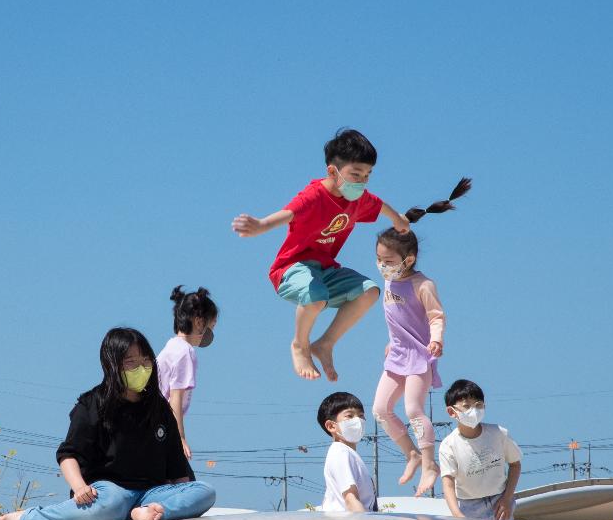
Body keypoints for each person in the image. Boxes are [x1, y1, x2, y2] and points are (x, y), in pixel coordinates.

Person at [0, 327, 216, 520]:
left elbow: (178, 470)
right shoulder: (91, 404)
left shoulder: (159, 408)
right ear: (112, 365)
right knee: (113, 504)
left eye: (145, 360)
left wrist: (183, 501)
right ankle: (27, 519)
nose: (141, 368)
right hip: (108, 492)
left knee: (205, 491)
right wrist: (79, 488)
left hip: (151, 494)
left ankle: (153, 512)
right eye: (131, 362)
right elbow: (68, 454)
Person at [231, 128, 409, 383]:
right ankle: (300, 346)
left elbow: (379, 205)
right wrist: (261, 225)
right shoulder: (315, 195)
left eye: (367, 175)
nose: (361, 182)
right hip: (291, 269)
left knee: (369, 291)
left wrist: (398, 219)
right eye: (355, 175)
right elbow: (289, 213)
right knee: (315, 298)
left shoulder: (358, 200)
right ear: (332, 171)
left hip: (325, 270)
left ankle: (324, 344)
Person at [372, 227, 445, 496]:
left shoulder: (422, 285)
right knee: (380, 410)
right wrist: (392, 341)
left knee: (413, 409)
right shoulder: (389, 282)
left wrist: (436, 339)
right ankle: (411, 454)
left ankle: (429, 464)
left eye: (389, 261)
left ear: (409, 259)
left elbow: (435, 316)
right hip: (397, 355)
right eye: (379, 259)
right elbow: (398, 319)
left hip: (419, 356)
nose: (382, 266)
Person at [438, 379, 522, 520]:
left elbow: (515, 464)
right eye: (467, 406)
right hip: (468, 505)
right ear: (451, 412)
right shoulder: (448, 445)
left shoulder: (499, 433)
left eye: (478, 405)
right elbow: (448, 483)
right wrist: (457, 515)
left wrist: (507, 499)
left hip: (499, 501)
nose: (474, 411)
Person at [156, 286, 219, 460]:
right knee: (182, 483)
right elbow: (175, 397)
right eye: (211, 326)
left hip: (155, 425)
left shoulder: (171, 347)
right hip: (163, 427)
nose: (210, 334)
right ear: (199, 322)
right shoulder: (186, 352)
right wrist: (180, 438)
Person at [316, 391, 377, 513]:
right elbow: (351, 499)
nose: (358, 421)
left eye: (361, 416)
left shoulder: (348, 453)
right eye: (349, 416)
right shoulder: (341, 453)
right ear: (331, 426)